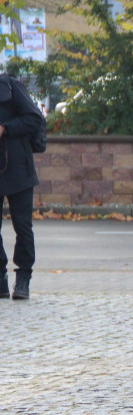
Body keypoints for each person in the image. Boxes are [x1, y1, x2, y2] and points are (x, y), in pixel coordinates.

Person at [0, 74, 45, 300]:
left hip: (18, 168)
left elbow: (34, 118)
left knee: (22, 226)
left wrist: (5, 128)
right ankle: (0, 278)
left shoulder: (10, 86)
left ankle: (23, 278)